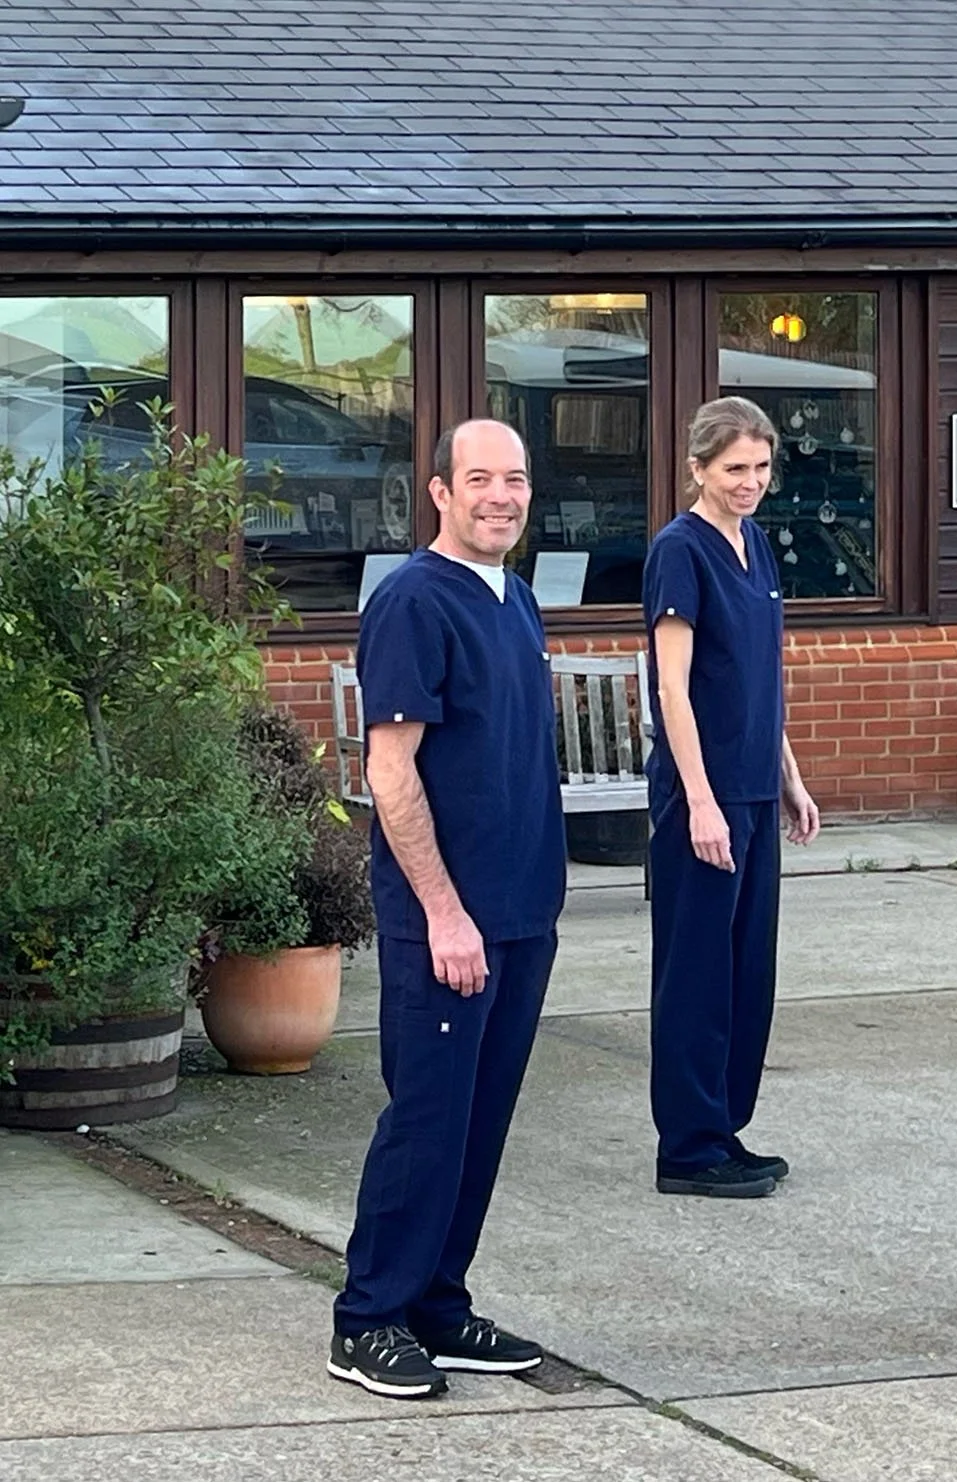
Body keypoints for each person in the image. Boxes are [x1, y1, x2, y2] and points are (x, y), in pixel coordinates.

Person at [328, 418, 566, 1400]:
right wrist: (443, 913)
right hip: (448, 924)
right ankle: (368, 1318)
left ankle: (436, 1303)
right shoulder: (413, 603)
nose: (500, 496)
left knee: (480, 1122)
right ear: (439, 492)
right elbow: (391, 773)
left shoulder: (513, 600)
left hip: (520, 913)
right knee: (427, 1121)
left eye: (513, 479)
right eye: (479, 479)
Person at [645, 396, 820, 1199]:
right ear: (698, 470)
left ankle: (724, 1127)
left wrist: (788, 775)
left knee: (749, 971)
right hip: (702, 800)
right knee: (697, 973)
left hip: (754, 790)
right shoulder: (678, 553)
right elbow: (674, 690)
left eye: (760, 467)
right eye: (734, 469)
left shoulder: (755, 545)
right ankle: (687, 1146)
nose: (751, 483)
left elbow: (763, 678)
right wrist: (701, 799)